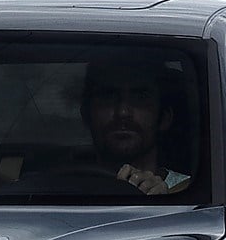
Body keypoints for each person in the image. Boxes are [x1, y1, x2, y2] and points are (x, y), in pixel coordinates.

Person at [80, 58, 197, 197]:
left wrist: (161, 203)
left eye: (140, 97)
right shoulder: (63, 188)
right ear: (86, 114)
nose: (123, 112)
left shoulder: (192, 194)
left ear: (164, 117)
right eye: (108, 96)